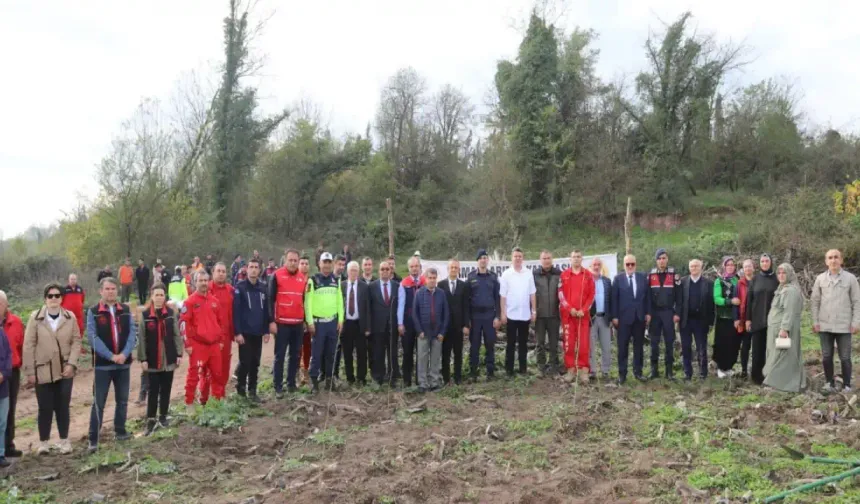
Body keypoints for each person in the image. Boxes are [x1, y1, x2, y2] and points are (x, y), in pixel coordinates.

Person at [24, 284, 80, 455]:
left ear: (62, 298)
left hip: (65, 370)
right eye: (50, 296)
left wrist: (72, 364)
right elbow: (28, 345)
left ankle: (64, 440)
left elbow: (76, 342)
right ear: (45, 299)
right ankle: (44, 443)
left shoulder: (70, 318)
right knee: (45, 407)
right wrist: (30, 372)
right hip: (43, 370)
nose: (54, 299)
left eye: (57, 295)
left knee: (63, 406)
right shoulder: (35, 318)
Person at [86, 277, 136, 453]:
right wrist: (110, 356)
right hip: (103, 366)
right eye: (107, 289)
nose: (110, 292)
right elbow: (92, 338)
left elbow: (132, 335)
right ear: (101, 291)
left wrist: (124, 354)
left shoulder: (126, 310)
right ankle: (93, 438)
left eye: (113, 289)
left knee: (122, 400)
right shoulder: (93, 312)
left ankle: (120, 431)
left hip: (123, 364)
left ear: (118, 291)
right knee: (98, 402)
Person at [811, 249, 860, 393]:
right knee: (826, 356)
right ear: (826, 261)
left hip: (844, 325)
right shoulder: (820, 279)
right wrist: (815, 321)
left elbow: (857, 302)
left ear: (841, 260)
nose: (833, 260)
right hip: (825, 325)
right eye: (830, 258)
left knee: (845, 357)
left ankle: (846, 385)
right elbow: (815, 302)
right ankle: (829, 383)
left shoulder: (850, 279)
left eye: (836, 257)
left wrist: (855, 322)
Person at [137, 284, 183, 435]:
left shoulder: (170, 313)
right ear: (151, 296)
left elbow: (176, 334)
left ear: (165, 297)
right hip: (152, 360)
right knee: (153, 391)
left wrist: (179, 354)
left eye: (161, 295)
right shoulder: (145, 315)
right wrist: (142, 358)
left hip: (168, 359)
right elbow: (142, 339)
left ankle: (163, 416)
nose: (159, 298)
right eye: (156, 295)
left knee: (166, 389)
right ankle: (151, 419)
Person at [182, 270, 226, 409]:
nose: (203, 283)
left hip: (214, 346)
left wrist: (221, 341)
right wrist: (187, 344)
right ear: (195, 282)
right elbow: (184, 323)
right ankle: (189, 403)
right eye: (200, 280)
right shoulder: (189, 302)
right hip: (198, 345)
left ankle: (216, 402)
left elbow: (221, 323)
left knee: (217, 375)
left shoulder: (214, 301)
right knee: (194, 375)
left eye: (205, 280)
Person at [268, 249, 308, 396]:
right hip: (282, 323)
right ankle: (278, 386)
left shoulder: (302, 278)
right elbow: (270, 299)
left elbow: (304, 300)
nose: (293, 263)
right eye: (290, 260)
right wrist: (271, 321)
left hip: (297, 324)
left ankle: (291, 383)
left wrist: (304, 320)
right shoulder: (276, 275)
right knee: (280, 355)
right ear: (285, 261)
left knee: (295, 355)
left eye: (295, 261)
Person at [762, 264, 807, 393]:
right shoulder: (782, 288)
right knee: (776, 354)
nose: (781, 275)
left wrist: (784, 329)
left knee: (782, 355)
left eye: (784, 273)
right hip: (775, 328)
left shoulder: (790, 291)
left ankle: (780, 384)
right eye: (779, 273)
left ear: (790, 274)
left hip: (782, 330)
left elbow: (789, 311)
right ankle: (776, 381)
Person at [305, 252, 344, 393]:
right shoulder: (313, 280)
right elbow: (307, 303)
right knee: (316, 354)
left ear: (331, 264)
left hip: (332, 323)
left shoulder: (336, 280)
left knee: (331, 353)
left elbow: (340, 301)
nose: (326, 265)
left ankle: (329, 379)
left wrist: (340, 319)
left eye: (329, 262)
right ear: (319, 264)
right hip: (318, 324)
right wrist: (309, 322)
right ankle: (314, 382)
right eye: (324, 262)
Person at [234, 258, 270, 402]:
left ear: (260, 270)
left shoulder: (263, 288)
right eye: (251, 267)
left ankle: (253, 391)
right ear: (246, 269)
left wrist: (266, 330)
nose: (253, 269)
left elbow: (266, 310)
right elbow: (236, 312)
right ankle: (241, 388)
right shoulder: (240, 287)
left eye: (256, 267)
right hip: (245, 333)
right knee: (245, 362)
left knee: (255, 362)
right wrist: (237, 332)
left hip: (258, 332)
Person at [611, 255, 650, 385]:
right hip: (623, 319)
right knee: (623, 348)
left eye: (632, 264)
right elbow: (614, 299)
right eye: (627, 264)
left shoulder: (642, 277)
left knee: (638, 347)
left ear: (636, 264)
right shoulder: (618, 279)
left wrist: (648, 313)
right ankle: (622, 374)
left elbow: (647, 297)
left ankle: (638, 372)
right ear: (623, 265)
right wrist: (614, 316)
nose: (630, 266)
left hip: (639, 318)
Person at [558, 250, 596, 381]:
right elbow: (560, 294)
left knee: (584, 344)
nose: (576, 259)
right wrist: (569, 308)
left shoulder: (588, 275)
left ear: (582, 259)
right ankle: (570, 370)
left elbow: (592, 295)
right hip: (568, 317)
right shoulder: (564, 275)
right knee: (568, 344)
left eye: (578, 257)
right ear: (570, 259)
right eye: (574, 257)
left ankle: (583, 370)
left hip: (582, 317)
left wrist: (584, 310)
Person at [500, 247, 537, 378]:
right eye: (515, 256)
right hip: (510, 315)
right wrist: (503, 313)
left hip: (525, 314)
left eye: (520, 256)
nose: (517, 258)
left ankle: (523, 369)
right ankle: (509, 370)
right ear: (512, 258)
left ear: (523, 258)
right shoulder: (506, 274)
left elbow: (532, 294)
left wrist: (534, 311)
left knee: (523, 343)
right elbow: (503, 296)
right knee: (510, 343)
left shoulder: (528, 273)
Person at [200, 263, 234, 400]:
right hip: (207, 337)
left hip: (225, 335)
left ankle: (219, 396)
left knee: (223, 366)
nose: (221, 274)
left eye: (223, 271)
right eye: (218, 271)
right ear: (213, 273)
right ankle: (203, 398)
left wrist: (234, 332)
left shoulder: (230, 290)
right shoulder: (205, 289)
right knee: (206, 368)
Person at [412, 268, 449, 393]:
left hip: (437, 333)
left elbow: (446, 314)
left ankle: (434, 382)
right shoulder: (419, 293)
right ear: (425, 279)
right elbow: (414, 314)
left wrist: (442, 332)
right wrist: (419, 331)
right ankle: (422, 383)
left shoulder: (441, 293)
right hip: (423, 333)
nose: (432, 280)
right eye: (430, 278)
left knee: (435, 358)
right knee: (422, 358)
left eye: (434, 278)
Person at [467, 249, 501, 382]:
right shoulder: (470, 277)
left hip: (489, 315)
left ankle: (490, 373)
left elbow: (497, 298)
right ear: (477, 261)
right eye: (480, 258)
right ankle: (473, 373)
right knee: (474, 345)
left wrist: (497, 316)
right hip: (475, 316)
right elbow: (467, 300)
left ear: (488, 260)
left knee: (490, 345)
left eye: (485, 258)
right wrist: (467, 320)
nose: (483, 260)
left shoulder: (493, 277)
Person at [745, 254, 779, 385]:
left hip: (773, 320)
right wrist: (748, 319)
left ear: (771, 263)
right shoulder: (755, 279)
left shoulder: (776, 278)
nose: (765, 263)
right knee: (758, 349)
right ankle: (757, 377)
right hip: (757, 319)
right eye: (762, 261)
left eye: (767, 261)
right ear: (759, 264)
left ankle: (771, 375)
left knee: (772, 349)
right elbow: (749, 300)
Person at [647, 248, 680, 380]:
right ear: (656, 260)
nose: (662, 261)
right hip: (654, 314)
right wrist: (648, 313)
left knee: (669, 342)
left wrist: (677, 313)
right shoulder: (650, 275)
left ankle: (669, 372)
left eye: (664, 258)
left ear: (667, 260)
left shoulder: (674, 275)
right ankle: (654, 371)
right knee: (654, 343)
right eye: (659, 258)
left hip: (668, 313)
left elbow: (679, 297)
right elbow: (647, 297)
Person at [678, 259, 714, 381]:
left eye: (696, 266)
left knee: (701, 348)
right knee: (686, 347)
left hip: (701, 321)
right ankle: (688, 373)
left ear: (701, 267)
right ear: (689, 268)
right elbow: (678, 302)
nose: (694, 268)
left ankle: (703, 373)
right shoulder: (682, 282)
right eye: (692, 266)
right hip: (686, 321)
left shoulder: (708, 283)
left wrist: (710, 322)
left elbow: (711, 304)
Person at [438, 259, 469, 385]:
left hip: (458, 326)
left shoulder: (463, 285)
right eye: (452, 267)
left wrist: (466, 325)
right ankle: (446, 378)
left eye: (456, 267)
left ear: (459, 269)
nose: (454, 269)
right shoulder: (441, 285)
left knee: (458, 353)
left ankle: (457, 377)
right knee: (445, 353)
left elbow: (466, 306)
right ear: (448, 269)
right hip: (445, 327)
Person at [0, 291, 24, 457]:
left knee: (10, 408)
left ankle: (8, 444)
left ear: (6, 304)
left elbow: (22, 345)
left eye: (1, 303)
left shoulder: (15, 321)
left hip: (12, 371)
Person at [369, 261, 400, 387]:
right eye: (382, 269)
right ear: (379, 271)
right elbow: (369, 308)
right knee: (378, 352)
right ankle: (378, 377)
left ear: (390, 271)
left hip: (393, 326)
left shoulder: (397, 286)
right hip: (378, 326)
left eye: (387, 269)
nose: (385, 271)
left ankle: (393, 377)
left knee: (392, 352)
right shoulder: (371, 286)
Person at [396, 256, 425, 387]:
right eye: (412, 266)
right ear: (409, 268)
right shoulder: (404, 283)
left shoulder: (425, 282)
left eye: (416, 266)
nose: (414, 269)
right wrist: (400, 323)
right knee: (407, 352)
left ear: (420, 267)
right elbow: (400, 305)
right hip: (408, 323)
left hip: (422, 323)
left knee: (422, 352)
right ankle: (407, 380)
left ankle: (420, 379)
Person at [341, 261, 371, 386]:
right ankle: (349, 377)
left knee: (362, 352)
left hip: (360, 324)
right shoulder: (341, 285)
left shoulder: (364, 287)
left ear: (358, 272)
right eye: (351, 270)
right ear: (347, 271)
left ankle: (361, 377)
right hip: (346, 324)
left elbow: (368, 307)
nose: (353, 272)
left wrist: (368, 326)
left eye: (355, 270)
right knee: (347, 352)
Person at [533, 251, 561, 376]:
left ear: (552, 259)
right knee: (540, 343)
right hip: (540, 315)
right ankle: (541, 367)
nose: (546, 260)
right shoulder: (534, 274)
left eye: (548, 258)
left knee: (554, 343)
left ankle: (554, 366)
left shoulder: (559, 274)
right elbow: (531, 294)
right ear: (540, 260)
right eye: (544, 258)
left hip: (555, 315)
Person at [713, 257, 740, 378]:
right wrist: (730, 301)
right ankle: (720, 368)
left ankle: (729, 367)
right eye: (728, 264)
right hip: (723, 317)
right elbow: (717, 299)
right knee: (722, 343)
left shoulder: (737, 280)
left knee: (733, 343)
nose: (730, 266)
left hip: (734, 318)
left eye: (732, 265)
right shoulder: (719, 281)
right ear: (724, 266)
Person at [589, 258, 612, 381]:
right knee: (591, 346)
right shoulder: (586, 281)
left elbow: (611, 300)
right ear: (590, 266)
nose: (596, 267)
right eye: (594, 265)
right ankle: (592, 371)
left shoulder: (607, 281)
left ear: (601, 266)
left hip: (605, 318)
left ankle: (605, 371)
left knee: (606, 346)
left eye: (598, 265)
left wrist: (612, 317)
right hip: (591, 319)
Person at [733, 259, 756, 379]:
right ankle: (743, 370)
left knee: (757, 346)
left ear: (753, 268)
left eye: (749, 266)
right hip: (743, 318)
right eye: (745, 266)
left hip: (757, 318)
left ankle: (758, 370)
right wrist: (736, 318)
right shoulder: (739, 283)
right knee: (745, 346)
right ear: (743, 269)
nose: (747, 268)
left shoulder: (758, 281)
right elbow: (736, 301)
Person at [297, 256, 313, 387]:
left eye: (306, 263)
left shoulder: (312, 281)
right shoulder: (294, 280)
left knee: (307, 346)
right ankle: (296, 372)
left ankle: (306, 370)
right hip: (295, 319)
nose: (304, 265)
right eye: (302, 263)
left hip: (309, 319)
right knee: (296, 347)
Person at [60, 274, 86, 338]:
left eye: (74, 279)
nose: (73, 281)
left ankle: (78, 344)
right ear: (69, 280)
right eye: (71, 279)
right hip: (67, 315)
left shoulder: (80, 289)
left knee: (80, 329)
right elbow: (60, 301)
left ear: (76, 280)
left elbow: (82, 299)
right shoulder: (64, 289)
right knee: (67, 329)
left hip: (78, 314)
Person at [0, 325, 11, 467]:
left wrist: (4, 373)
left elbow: (8, 355)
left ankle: (0, 453)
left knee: (2, 422)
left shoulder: (1, 333)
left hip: (2, 386)